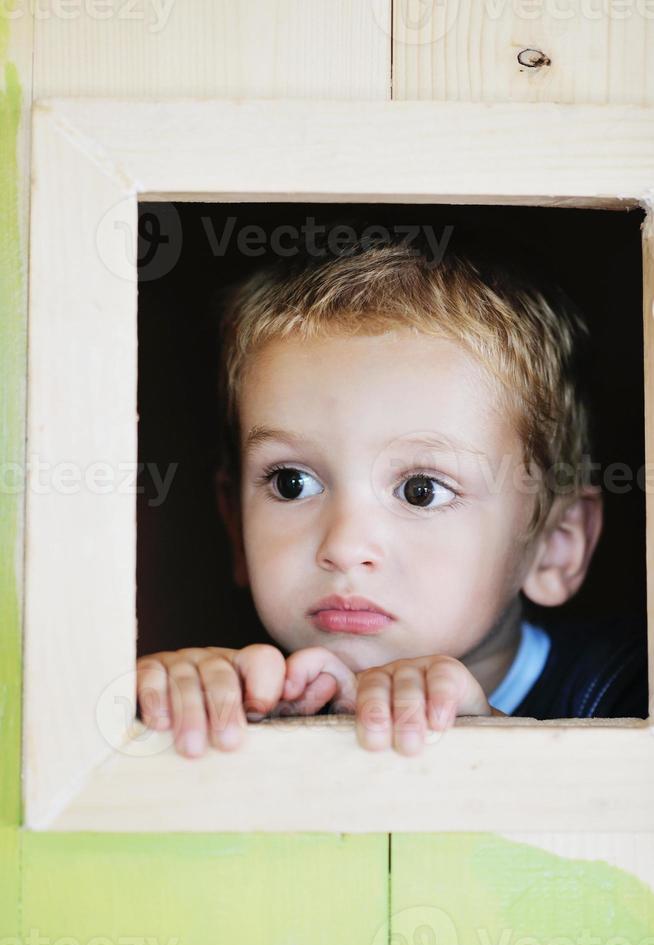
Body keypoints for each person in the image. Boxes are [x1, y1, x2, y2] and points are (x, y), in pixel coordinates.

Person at [136, 220, 648, 758]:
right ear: (235, 526)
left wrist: (492, 746)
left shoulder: (627, 693)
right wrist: (167, 719)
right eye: (293, 483)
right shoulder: (242, 697)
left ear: (555, 546)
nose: (344, 547)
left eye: (421, 490)